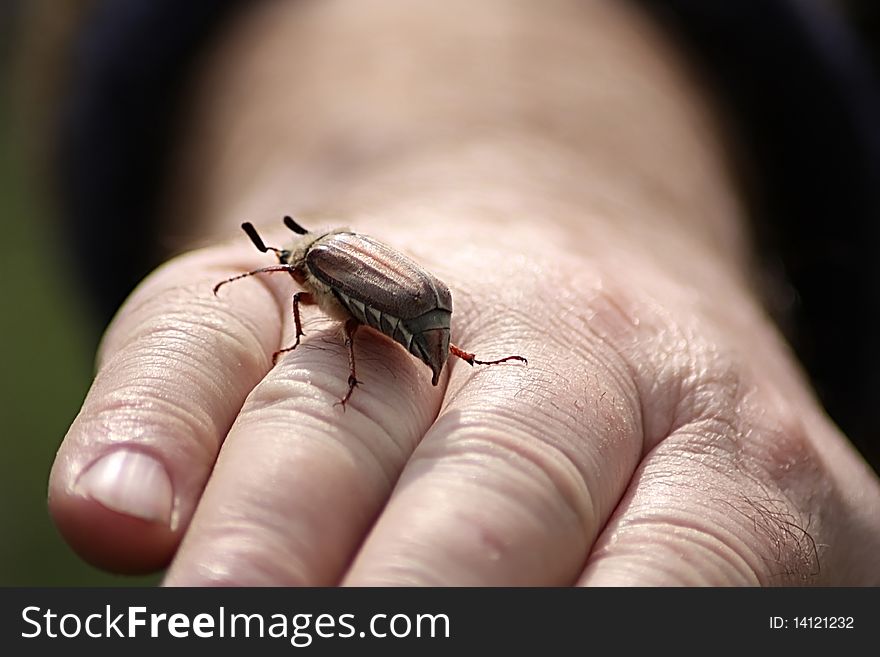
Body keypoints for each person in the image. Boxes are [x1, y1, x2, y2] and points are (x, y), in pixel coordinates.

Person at [45, 0, 880, 584]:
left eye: (278, 267)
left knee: (361, 337)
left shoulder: (322, 267)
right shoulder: (317, 258)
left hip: (413, 302)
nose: (282, 282)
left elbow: (353, 311)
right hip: (422, 295)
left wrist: (484, 167)